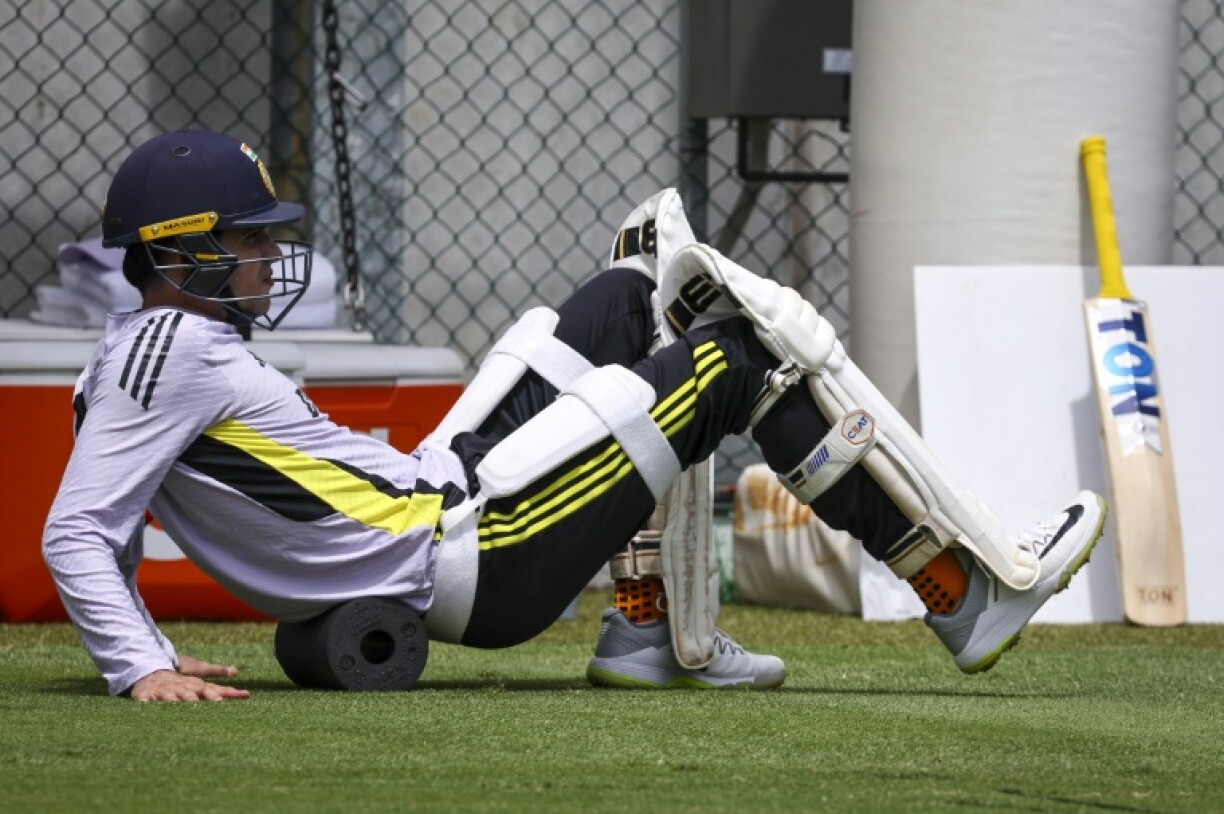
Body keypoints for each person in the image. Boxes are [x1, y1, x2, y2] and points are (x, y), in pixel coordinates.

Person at [43, 130, 1106, 702]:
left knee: (635, 285)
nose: (271, 255)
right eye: (248, 238)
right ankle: (958, 586)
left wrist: (143, 640)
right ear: (178, 249)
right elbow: (80, 524)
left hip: (437, 492)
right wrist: (141, 663)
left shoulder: (157, 350)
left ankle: (645, 632)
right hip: (469, 552)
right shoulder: (167, 349)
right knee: (734, 358)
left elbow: (121, 502)